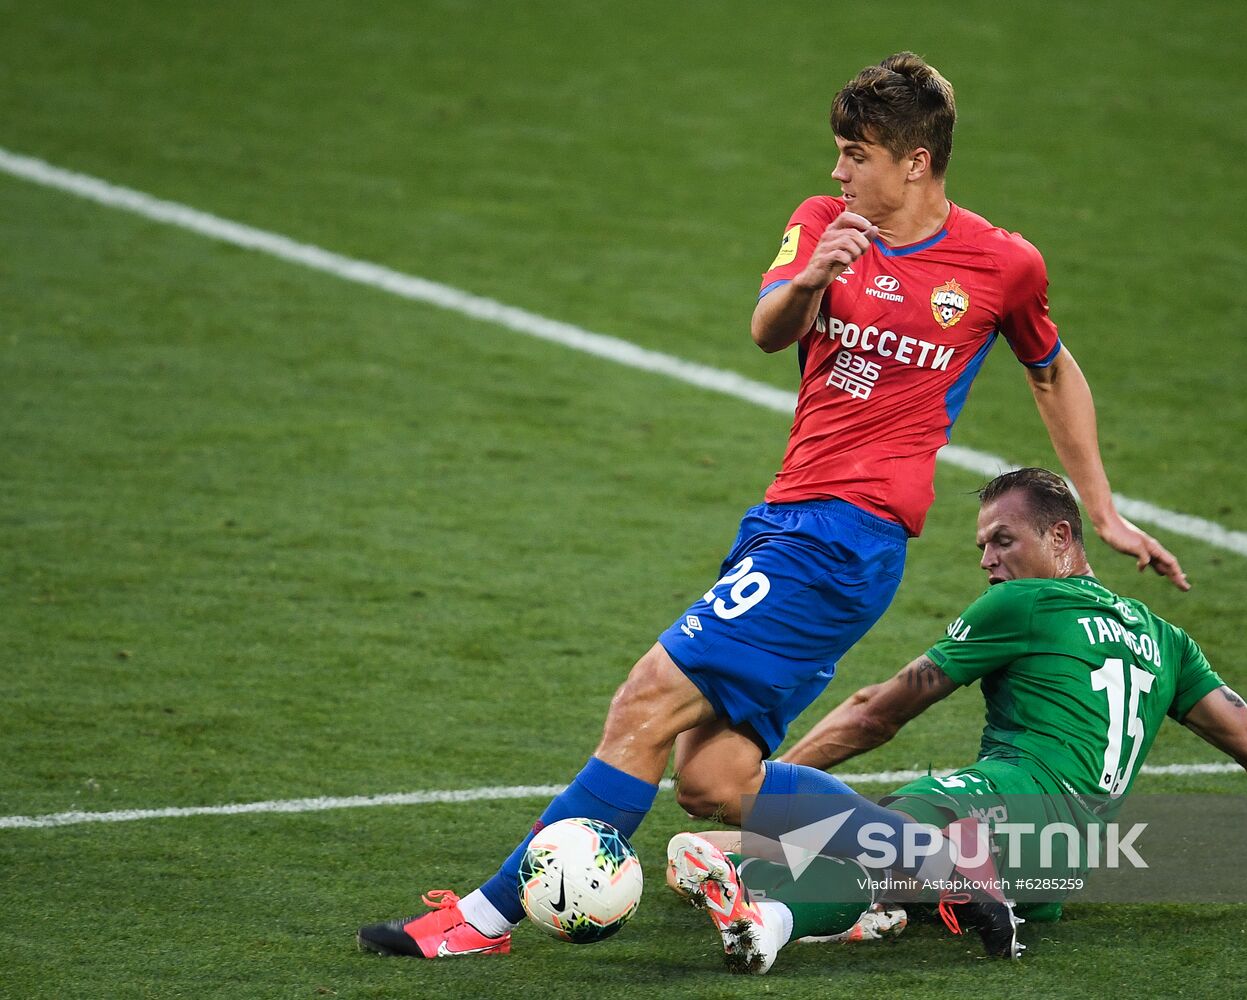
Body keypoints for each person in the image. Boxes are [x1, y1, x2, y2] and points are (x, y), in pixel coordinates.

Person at [357, 53, 1189, 960]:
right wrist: (810, 278)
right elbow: (766, 331)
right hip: (785, 522)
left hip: (843, 539)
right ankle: (939, 863)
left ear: (915, 161)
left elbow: (1051, 369)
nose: (838, 171)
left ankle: (477, 922)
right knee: (715, 778)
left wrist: (1101, 508)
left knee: (643, 705)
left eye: (856, 153)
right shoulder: (823, 224)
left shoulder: (1000, 264)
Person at [667, 468, 1247, 974]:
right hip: (1061, 860)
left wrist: (762, 797)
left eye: (1001, 540)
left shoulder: (1022, 604)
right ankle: (830, 896)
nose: (987, 561)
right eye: (980, 547)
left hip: (1003, 801)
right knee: (884, 849)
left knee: (884, 839)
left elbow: (876, 716)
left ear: (1060, 537)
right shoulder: (1166, 640)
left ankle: (768, 917)